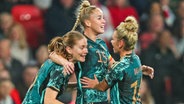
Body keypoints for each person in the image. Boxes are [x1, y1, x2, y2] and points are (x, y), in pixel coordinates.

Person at [49, 1, 154, 104]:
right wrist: (65, 63)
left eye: (103, 18)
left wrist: (138, 68)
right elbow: (53, 55)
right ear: (88, 22)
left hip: (103, 100)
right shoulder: (80, 43)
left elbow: (113, 66)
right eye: (99, 18)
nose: (104, 21)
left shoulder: (101, 44)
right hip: (87, 100)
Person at [81, 16, 142, 104]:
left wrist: (95, 84)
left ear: (121, 43)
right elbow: (128, 70)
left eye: (113, 39)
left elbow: (102, 87)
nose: (111, 42)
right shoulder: (136, 59)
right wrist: (142, 68)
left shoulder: (118, 68)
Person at [22, 31, 88, 104]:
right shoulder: (60, 69)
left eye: (86, 47)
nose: (86, 51)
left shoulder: (60, 62)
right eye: (82, 47)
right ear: (69, 49)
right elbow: (49, 101)